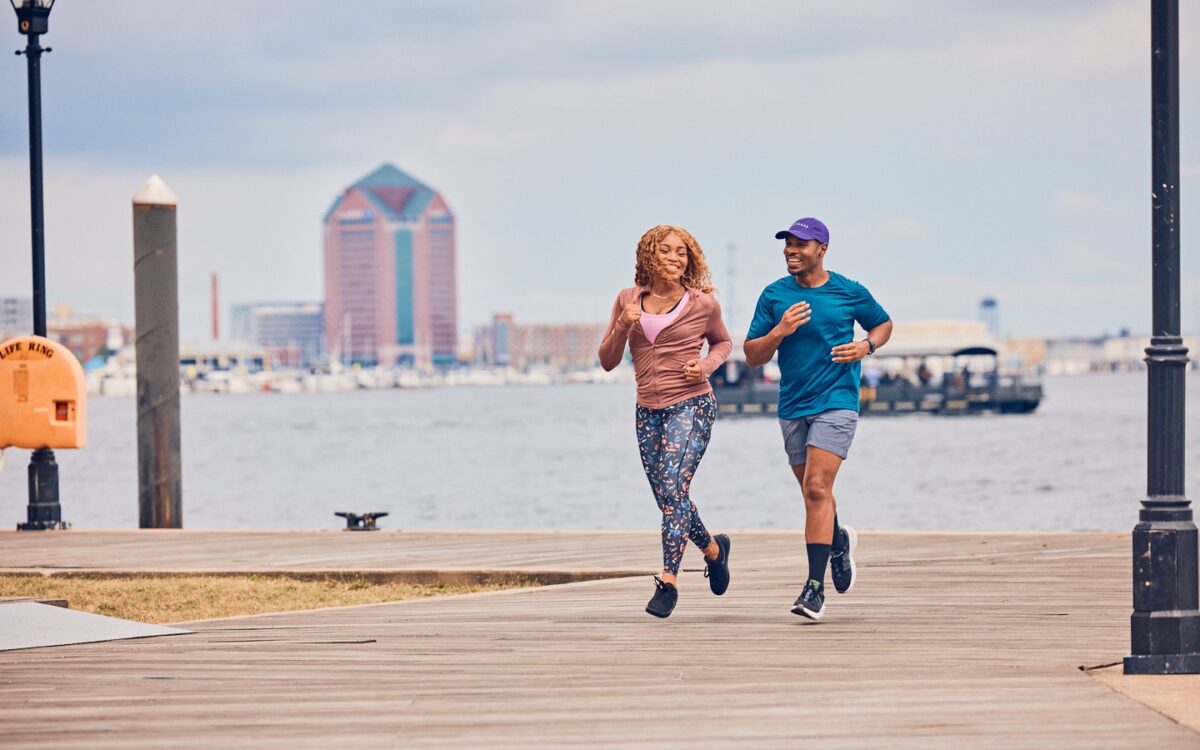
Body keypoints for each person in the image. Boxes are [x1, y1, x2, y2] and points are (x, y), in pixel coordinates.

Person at [743, 217, 893, 620]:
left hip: (837, 400)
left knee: (815, 487)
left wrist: (866, 346)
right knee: (816, 496)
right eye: (787, 244)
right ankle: (838, 539)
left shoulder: (848, 291)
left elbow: (883, 323)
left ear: (821, 249)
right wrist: (780, 331)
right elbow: (753, 355)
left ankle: (814, 589)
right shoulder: (774, 296)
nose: (791, 251)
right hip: (792, 404)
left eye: (800, 244)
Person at [599, 225, 734, 618]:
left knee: (674, 486)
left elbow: (724, 342)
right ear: (649, 255)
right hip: (647, 410)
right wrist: (624, 324)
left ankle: (669, 580)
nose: (675, 258)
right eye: (666, 251)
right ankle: (713, 549)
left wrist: (706, 365)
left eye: (682, 253)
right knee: (668, 497)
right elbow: (607, 361)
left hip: (692, 405)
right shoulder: (627, 300)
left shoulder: (703, 304)